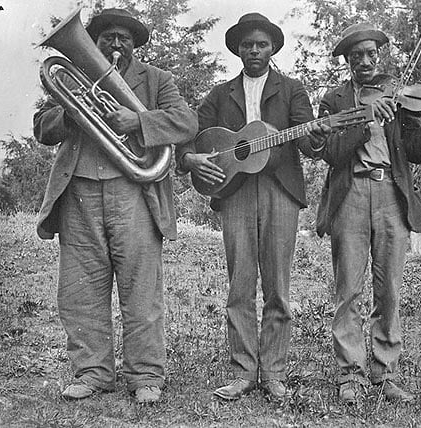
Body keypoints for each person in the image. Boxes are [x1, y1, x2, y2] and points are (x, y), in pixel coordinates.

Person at [34, 8, 197, 403]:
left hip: (134, 194)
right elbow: (42, 127)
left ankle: (145, 377)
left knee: (141, 290)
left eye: (124, 37)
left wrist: (137, 122)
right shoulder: (73, 73)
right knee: (81, 291)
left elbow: (186, 122)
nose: (116, 44)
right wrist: (71, 114)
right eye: (108, 37)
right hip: (79, 195)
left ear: (135, 44)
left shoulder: (157, 80)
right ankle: (92, 373)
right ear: (95, 41)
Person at [306, 23, 421, 404]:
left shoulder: (397, 96)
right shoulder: (334, 100)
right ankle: (350, 375)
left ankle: (384, 373)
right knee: (348, 290)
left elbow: (415, 151)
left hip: (392, 195)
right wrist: (364, 116)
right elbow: (330, 153)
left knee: (389, 289)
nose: (365, 61)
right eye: (356, 55)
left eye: (371, 54)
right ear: (347, 61)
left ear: (379, 56)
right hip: (352, 194)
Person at [175, 13, 323, 401]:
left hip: (280, 190)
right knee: (240, 285)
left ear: (272, 48)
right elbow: (191, 134)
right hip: (235, 189)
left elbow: (307, 142)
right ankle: (243, 371)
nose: (254, 50)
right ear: (238, 50)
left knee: (277, 287)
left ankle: (273, 372)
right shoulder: (220, 95)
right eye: (247, 45)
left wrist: (318, 136)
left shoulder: (292, 90)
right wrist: (189, 158)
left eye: (261, 44)